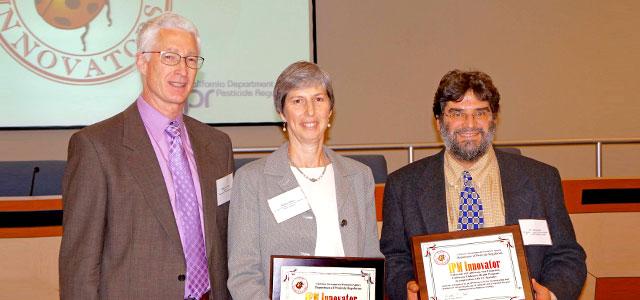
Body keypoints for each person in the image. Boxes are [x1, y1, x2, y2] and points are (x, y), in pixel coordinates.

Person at [59, 12, 233, 300]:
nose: (182, 70)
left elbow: (224, 242)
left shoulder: (217, 145)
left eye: (191, 60)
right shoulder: (96, 147)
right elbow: (79, 264)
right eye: (169, 57)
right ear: (142, 61)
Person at [380, 70, 586, 300]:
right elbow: (394, 258)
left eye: (480, 113)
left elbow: (567, 255)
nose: (470, 124)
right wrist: (406, 288)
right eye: (457, 113)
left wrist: (551, 293)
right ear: (439, 121)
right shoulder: (403, 186)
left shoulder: (541, 179)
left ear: (493, 118)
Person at [227, 61, 382, 299]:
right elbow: (243, 274)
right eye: (297, 101)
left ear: (330, 109)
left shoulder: (359, 176)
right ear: (282, 112)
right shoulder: (252, 180)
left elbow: (372, 258)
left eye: (318, 99)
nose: (310, 111)